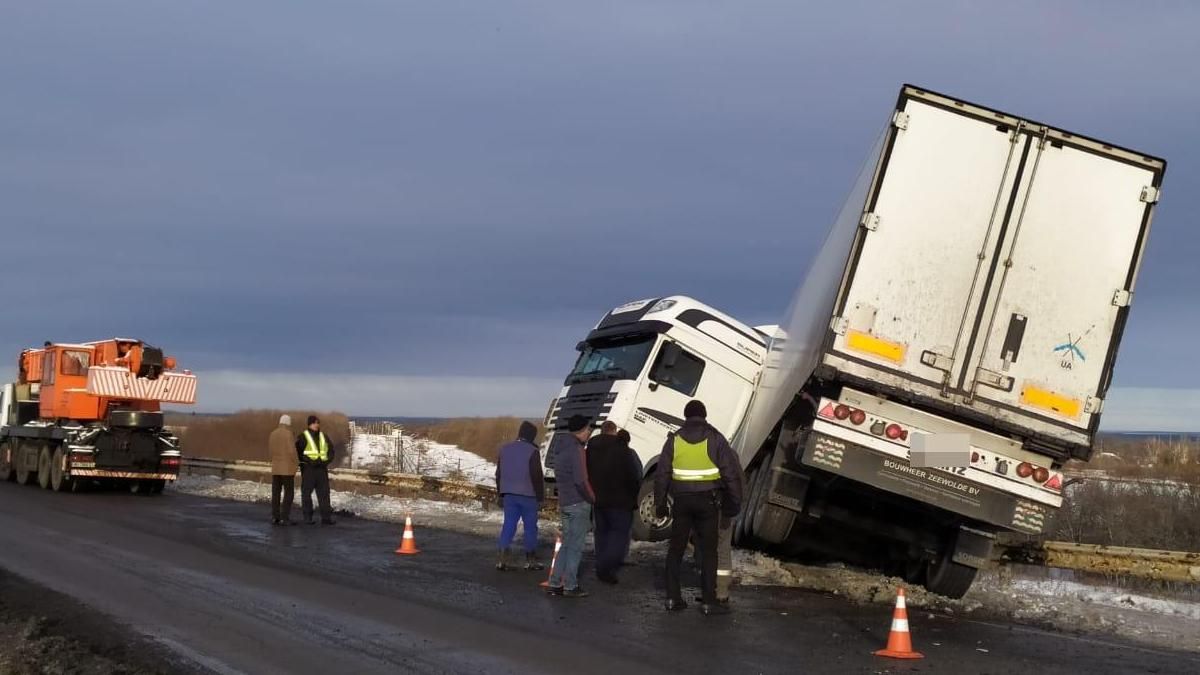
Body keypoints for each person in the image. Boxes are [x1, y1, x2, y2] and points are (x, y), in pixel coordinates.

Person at [654, 400, 742, 615]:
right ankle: (708, 602)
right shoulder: (715, 438)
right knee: (710, 552)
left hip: (682, 501)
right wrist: (734, 501)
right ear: (704, 415)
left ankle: (673, 599)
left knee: (676, 550)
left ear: (686, 416)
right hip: (708, 502)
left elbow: (662, 474)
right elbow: (729, 473)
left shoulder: (674, 440)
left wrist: (660, 504)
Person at [545, 414, 595, 598]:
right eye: (588, 429)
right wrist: (592, 498)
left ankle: (555, 582)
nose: (590, 432)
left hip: (565, 502)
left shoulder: (560, 448)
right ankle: (571, 585)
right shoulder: (577, 450)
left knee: (566, 544)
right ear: (582, 431)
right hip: (578, 503)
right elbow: (581, 480)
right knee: (575, 546)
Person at [586, 421, 640, 584]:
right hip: (620, 500)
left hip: (597, 499)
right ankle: (606, 566)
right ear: (614, 431)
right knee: (619, 535)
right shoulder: (624, 451)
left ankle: (601, 563)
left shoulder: (590, 450)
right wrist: (633, 495)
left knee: (601, 532)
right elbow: (635, 475)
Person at [495, 421, 546, 571]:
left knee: (509, 525)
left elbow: (498, 473)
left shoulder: (505, 449)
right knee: (530, 527)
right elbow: (536, 475)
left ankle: (502, 558)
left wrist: (500, 493)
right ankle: (530, 560)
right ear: (532, 436)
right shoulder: (532, 451)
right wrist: (540, 497)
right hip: (528, 495)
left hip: (509, 494)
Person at [295, 415, 336, 525]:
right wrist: (308, 462)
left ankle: (326, 518)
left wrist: (326, 462)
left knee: (324, 494)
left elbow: (331, 451)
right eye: (314, 423)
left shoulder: (323, 436)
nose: (317, 425)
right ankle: (308, 518)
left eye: (318, 422)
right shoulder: (303, 436)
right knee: (306, 494)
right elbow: (298, 452)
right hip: (309, 470)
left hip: (322, 469)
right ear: (309, 424)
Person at [616, 428, 641, 566]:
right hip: (626, 498)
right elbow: (638, 473)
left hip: (607, 497)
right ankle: (622, 555)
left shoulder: (608, 453)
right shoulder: (631, 454)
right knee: (625, 529)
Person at [269, 414, 298, 525]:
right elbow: (292, 451)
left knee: (276, 493)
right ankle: (284, 517)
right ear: (288, 422)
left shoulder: (273, 433)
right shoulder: (288, 434)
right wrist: (297, 462)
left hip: (276, 467)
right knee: (288, 493)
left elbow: (270, 450)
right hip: (287, 469)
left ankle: (275, 516)